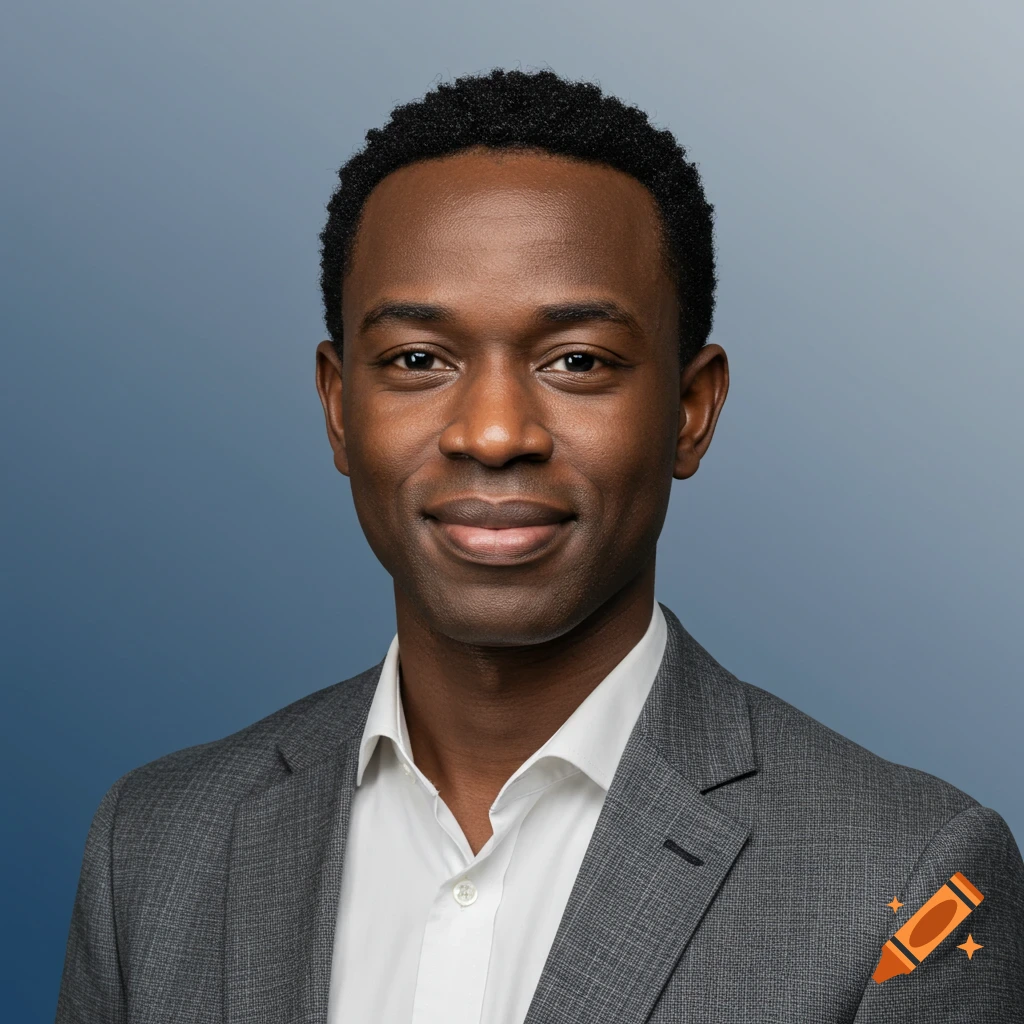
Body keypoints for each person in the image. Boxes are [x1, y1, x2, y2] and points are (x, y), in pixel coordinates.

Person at [56, 68, 1023, 1024]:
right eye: (418, 361)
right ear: (338, 406)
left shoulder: (907, 878)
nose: (492, 430)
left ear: (692, 409)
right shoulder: (151, 847)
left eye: (577, 362)